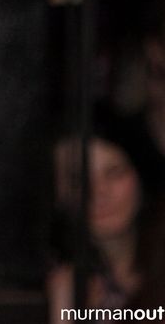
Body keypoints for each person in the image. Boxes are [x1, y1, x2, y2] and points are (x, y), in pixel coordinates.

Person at [47, 111, 163, 319]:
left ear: (141, 177)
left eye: (114, 173)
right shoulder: (43, 281)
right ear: (57, 194)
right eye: (78, 179)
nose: (98, 192)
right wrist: (63, 313)